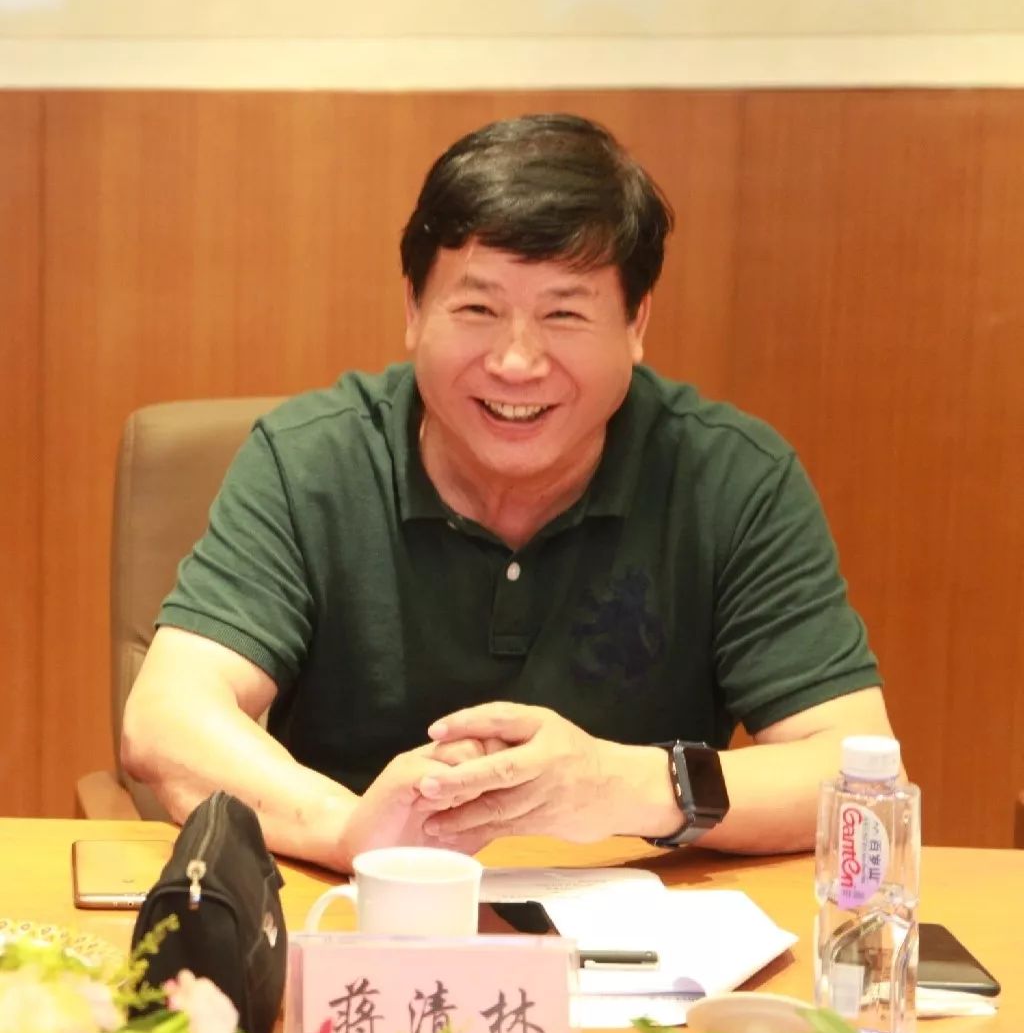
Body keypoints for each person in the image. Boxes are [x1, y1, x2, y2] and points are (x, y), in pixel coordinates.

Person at [121, 113, 897, 871]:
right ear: (413, 310)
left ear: (636, 323)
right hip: (355, 912)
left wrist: (622, 786)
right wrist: (351, 833)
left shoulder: (732, 478)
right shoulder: (311, 462)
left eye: (564, 313)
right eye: (478, 309)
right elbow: (166, 718)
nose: (516, 363)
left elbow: (855, 766)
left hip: (638, 924)